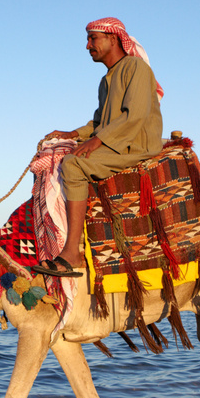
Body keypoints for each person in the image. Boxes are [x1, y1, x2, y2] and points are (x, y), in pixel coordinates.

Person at [31, 17, 164, 278]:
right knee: (57, 152)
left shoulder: (135, 67)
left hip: (136, 143)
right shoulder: (106, 80)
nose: (87, 45)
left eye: (93, 38)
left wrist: (97, 141)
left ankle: (72, 253)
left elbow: (134, 116)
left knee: (73, 164)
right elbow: (100, 122)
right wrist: (73, 134)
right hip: (117, 139)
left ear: (113, 39)